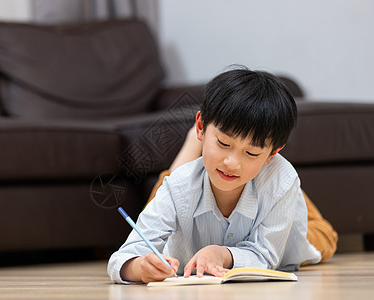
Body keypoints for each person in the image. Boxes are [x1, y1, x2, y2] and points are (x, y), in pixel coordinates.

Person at [108, 68, 338, 284]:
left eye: (251, 152)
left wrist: (221, 254)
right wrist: (138, 268)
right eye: (223, 143)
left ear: (273, 153)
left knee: (322, 236)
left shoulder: (281, 179)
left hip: (281, 229)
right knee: (178, 180)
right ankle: (201, 145)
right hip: (200, 179)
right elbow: (123, 257)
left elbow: (266, 256)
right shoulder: (179, 184)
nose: (232, 163)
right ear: (201, 126)